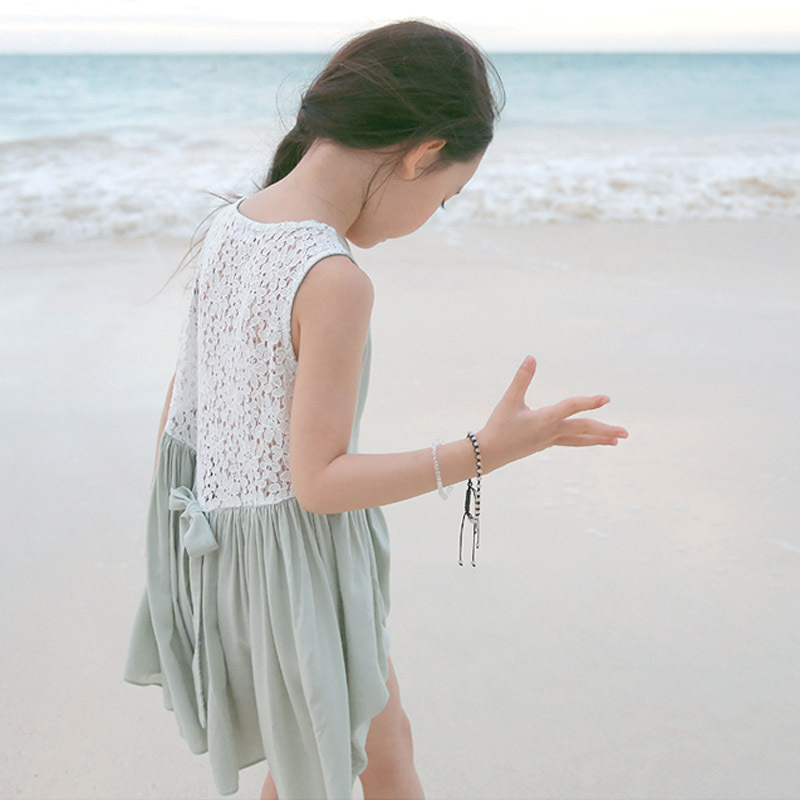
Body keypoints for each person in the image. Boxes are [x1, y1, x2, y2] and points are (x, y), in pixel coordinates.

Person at [123, 17, 629, 800]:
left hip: (224, 553)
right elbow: (319, 482)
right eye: (447, 196)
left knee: (352, 763)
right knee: (349, 767)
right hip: (297, 573)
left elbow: (178, 421)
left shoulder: (232, 227)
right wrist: (488, 448)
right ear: (423, 153)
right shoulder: (332, 277)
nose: (434, 211)